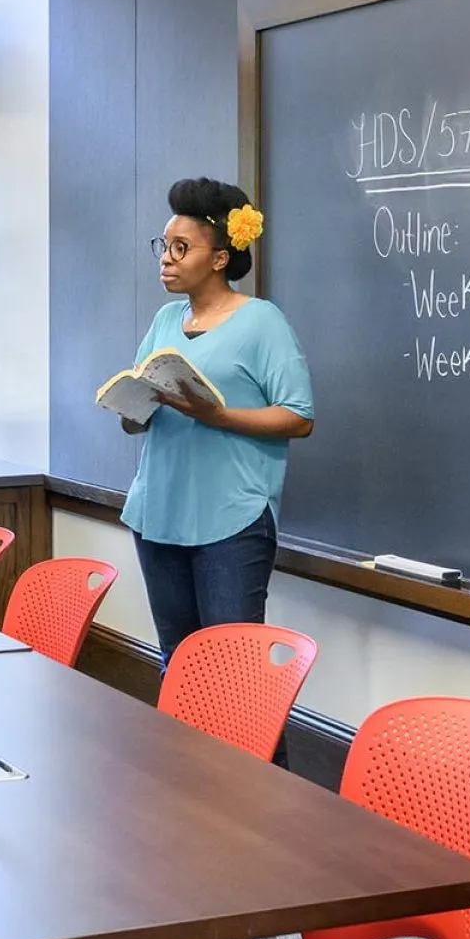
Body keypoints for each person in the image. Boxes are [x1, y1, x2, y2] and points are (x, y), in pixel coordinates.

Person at [119, 177, 314, 658]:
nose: (166, 257)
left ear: (220, 258)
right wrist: (130, 408)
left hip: (232, 520)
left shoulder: (262, 321)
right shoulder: (166, 320)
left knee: (234, 673)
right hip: (157, 512)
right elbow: (139, 412)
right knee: (178, 660)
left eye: (181, 248)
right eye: (163, 246)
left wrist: (219, 416)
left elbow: (299, 416)